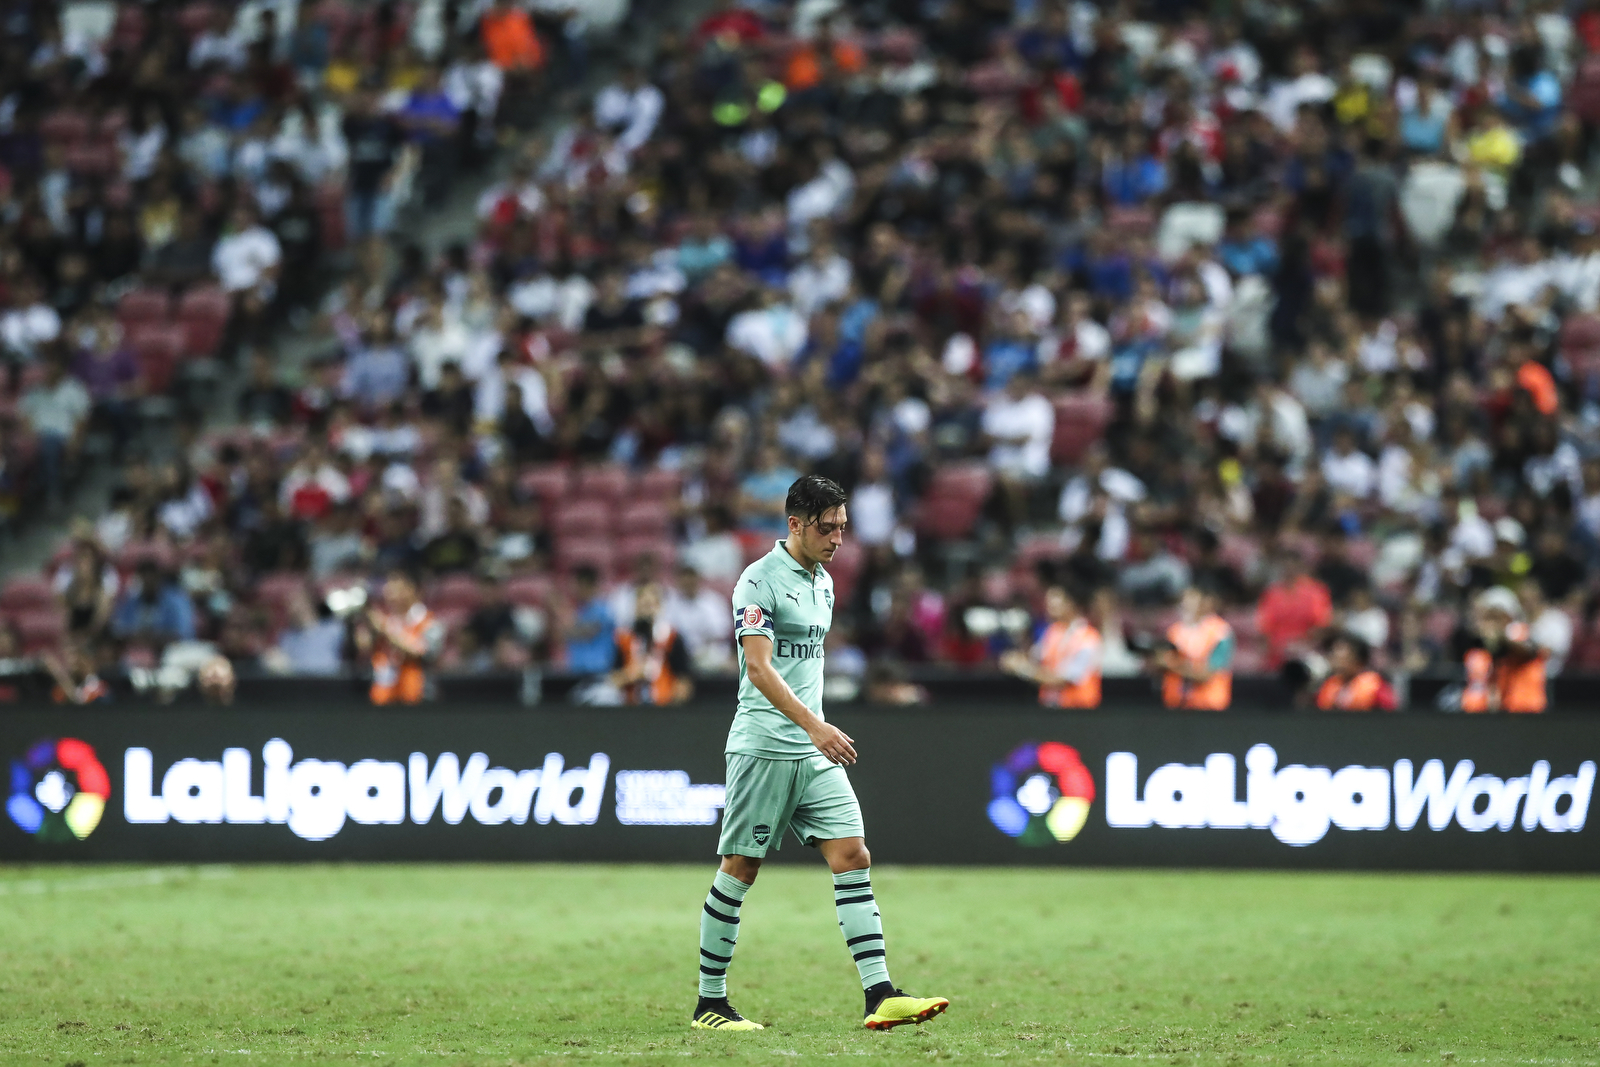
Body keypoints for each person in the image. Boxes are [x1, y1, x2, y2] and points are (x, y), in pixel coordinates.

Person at [693, 474, 947, 1032]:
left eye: (843, 527)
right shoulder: (757, 582)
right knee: (741, 868)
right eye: (828, 528)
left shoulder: (824, 582)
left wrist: (814, 733)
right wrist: (814, 726)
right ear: (795, 525)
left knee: (853, 854)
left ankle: (878, 994)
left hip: (812, 753)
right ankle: (710, 1003)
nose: (838, 538)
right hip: (766, 747)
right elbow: (759, 669)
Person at [1000, 585, 1102, 708]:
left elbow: (1065, 679)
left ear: (1071, 603)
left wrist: (1023, 669)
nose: (1049, 606)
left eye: (1055, 601)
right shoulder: (1053, 632)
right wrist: (1014, 659)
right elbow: (1034, 656)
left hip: (1079, 712)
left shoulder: (1089, 637)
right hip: (1051, 710)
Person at [355, 570, 444, 705]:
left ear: (412, 590)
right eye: (389, 589)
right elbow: (363, 646)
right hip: (383, 699)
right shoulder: (385, 620)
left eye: (396, 589)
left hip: (418, 701)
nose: (390, 595)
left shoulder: (429, 623)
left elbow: (421, 652)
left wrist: (385, 630)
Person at [1462, 586, 1548, 713]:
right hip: (1502, 712)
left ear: (1508, 616)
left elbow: (1527, 651)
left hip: (1527, 710)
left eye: (1495, 617)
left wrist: (1500, 637)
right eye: (1487, 617)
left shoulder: (1520, 632)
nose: (1489, 623)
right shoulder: (1481, 650)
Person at [610, 583, 693, 704]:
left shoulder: (672, 637)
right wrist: (630, 675)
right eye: (641, 605)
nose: (645, 611)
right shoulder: (624, 639)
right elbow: (613, 679)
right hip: (630, 708)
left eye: (649, 605)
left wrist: (675, 706)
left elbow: (684, 680)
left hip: (663, 706)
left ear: (659, 607)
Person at [1157, 586, 1234, 710]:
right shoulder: (1174, 632)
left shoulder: (1220, 632)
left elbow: (1206, 674)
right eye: (1184, 600)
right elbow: (1159, 664)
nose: (1186, 605)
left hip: (1209, 706)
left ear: (1205, 602)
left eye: (1192, 600)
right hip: (1177, 705)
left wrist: (1172, 666)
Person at [1315, 633, 1396, 711]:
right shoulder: (1329, 686)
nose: (1336, 659)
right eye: (1334, 654)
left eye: (1342, 657)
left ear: (1358, 659)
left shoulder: (1376, 687)